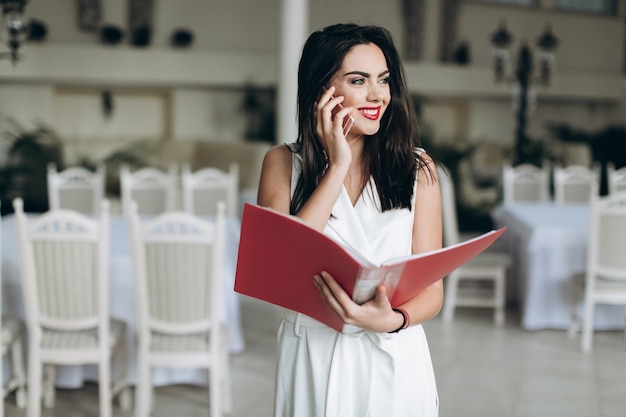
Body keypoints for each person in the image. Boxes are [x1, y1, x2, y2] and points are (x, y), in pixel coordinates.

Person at [257, 23, 442, 417]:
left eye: (384, 80)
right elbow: (281, 268)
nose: (378, 95)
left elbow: (433, 291)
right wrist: (337, 165)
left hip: (395, 351)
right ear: (322, 89)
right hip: (312, 351)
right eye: (359, 80)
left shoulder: (416, 167)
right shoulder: (282, 164)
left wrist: (393, 319)